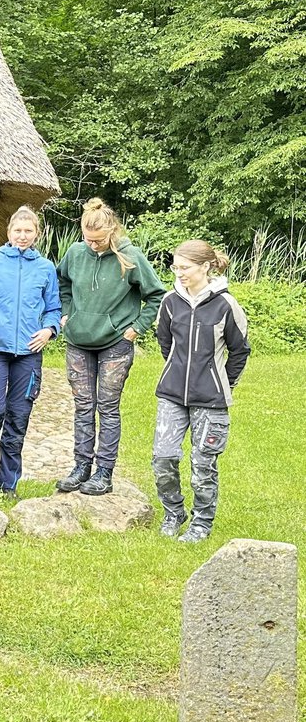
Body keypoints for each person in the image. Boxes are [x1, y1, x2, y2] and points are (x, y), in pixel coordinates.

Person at [55, 197, 165, 496]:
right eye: (88, 239)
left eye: (99, 240)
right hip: (78, 341)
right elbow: (62, 282)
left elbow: (156, 294)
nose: (93, 245)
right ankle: (81, 467)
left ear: (112, 232)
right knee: (83, 407)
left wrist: (136, 329)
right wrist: (66, 313)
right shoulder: (76, 253)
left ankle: (104, 471)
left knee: (107, 407)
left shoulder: (130, 257)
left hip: (115, 343)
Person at [151, 240, 250, 542]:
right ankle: (173, 512)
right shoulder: (170, 301)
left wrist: (222, 383)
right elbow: (165, 341)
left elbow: (240, 351)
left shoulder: (226, 304)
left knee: (202, 465)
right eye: (175, 267)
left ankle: (201, 523)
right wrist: (177, 370)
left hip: (211, 399)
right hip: (172, 394)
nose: (178, 273)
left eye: (185, 267)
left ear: (205, 267)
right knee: (163, 458)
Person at [0, 206, 61, 500]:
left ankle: (8, 485)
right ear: (9, 233)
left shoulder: (45, 268)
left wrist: (49, 330)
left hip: (29, 354)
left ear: (37, 233)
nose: (23, 236)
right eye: (17, 231)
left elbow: (54, 308)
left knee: (18, 420)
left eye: (28, 231)